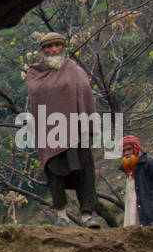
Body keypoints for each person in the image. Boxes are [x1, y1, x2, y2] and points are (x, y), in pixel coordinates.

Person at [25, 31, 105, 228]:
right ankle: (62, 215)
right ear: (43, 50)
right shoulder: (35, 73)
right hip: (51, 131)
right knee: (55, 172)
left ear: (63, 47)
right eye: (49, 47)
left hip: (77, 130)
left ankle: (87, 215)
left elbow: (86, 93)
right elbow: (37, 94)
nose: (54, 50)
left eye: (57, 46)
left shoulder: (74, 69)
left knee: (85, 172)